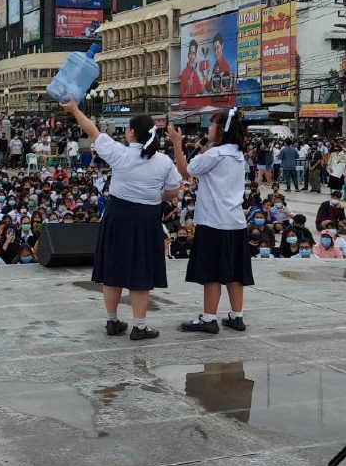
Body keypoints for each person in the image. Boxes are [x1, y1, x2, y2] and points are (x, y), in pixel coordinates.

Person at [62, 98, 180, 341]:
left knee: (113, 269)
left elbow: (92, 130)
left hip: (118, 215)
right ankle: (140, 326)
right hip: (147, 217)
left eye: (127, 128)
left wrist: (74, 109)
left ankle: (112, 321)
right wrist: (155, 195)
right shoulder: (163, 161)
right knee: (140, 273)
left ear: (132, 133)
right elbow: (173, 191)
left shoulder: (120, 154)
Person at [168, 108, 252, 335]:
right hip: (235, 221)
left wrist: (176, 142)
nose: (209, 128)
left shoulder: (215, 154)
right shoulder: (236, 153)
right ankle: (236, 316)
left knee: (212, 272)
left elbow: (185, 171)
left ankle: (209, 318)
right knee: (234, 272)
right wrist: (204, 151)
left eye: (212, 125)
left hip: (214, 221)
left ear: (221, 130)